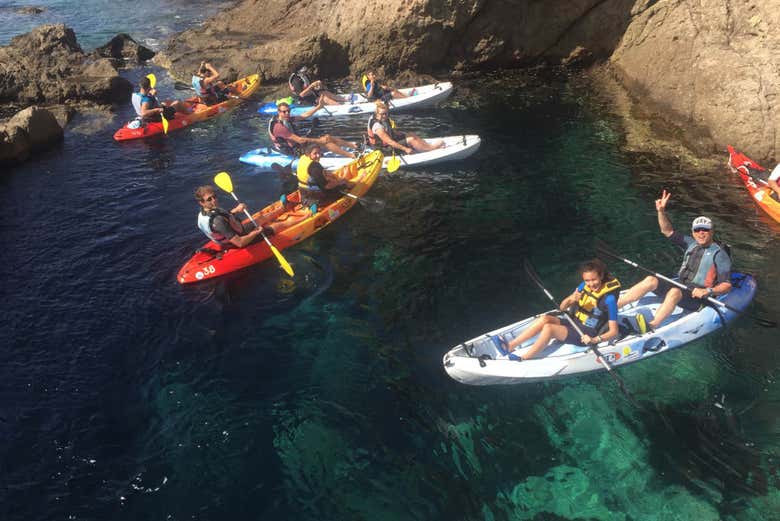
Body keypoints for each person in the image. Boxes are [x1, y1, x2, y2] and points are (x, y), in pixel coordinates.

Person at [617, 190, 732, 331]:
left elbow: (726, 285)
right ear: (693, 232)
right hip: (681, 285)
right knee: (650, 280)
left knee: (674, 292)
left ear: (712, 231)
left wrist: (708, 291)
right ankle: (614, 307)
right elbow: (667, 231)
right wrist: (661, 211)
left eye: (705, 230)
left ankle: (651, 325)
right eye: (698, 230)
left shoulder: (719, 254)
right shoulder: (690, 243)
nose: (701, 233)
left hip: (699, 297)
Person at [500, 259, 621, 360]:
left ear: (601, 276)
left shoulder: (609, 299)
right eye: (587, 280)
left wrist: (594, 340)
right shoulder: (583, 286)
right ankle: (511, 345)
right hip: (574, 322)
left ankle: (525, 358)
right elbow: (562, 308)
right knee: (545, 319)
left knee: (549, 328)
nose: (591, 284)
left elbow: (613, 332)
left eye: (594, 279)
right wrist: (571, 299)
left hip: (587, 332)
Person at [268, 101, 356, 158]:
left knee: (327, 137)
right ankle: (352, 155)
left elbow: (304, 115)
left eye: (288, 111)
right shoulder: (279, 127)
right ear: (279, 112)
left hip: (298, 143)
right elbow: (300, 140)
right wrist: (319, 141)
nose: (287, 113)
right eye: (284, 112)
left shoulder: (285, 118)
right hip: (293, 150)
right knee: (326, 143)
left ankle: (355, 146)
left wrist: (318, 107)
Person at [195, 185, 271, 248]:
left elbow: (222, 216)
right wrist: (256, 232)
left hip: (233, 232)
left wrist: (236, 210)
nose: (214, 200)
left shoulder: (203, 214)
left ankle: (282, 208)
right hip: (235, 242)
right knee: (275, 226)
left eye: (214, 196)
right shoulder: (218, 221)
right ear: (201, 202)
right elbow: (240, 243)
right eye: (209, 199)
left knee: (263, 218)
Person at [367, 101, 444, 154]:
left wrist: (404, 134)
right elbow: (390, 142)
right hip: (383, 150)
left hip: (389, 142)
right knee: (411, 140)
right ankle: (432, 149)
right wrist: (406, 149)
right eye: (382, 114)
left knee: (411, 134)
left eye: (386, 113)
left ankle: (427, 146)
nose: (385, 116)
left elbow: (391, 132)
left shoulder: (379, 117)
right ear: (377, 113)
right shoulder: (377, 127)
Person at [295, 143, 354, 210]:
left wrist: (332, 176)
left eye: (319, 153)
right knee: (343, 187)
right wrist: (340, 182)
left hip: (302, 190)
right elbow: (327, 186)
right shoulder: (314, 166)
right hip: (315, 193)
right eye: (315, 153)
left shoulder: (303, 158)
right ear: (309, 153)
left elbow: (318, 173)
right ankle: (317, 203)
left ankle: (307, 202)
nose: (318, 155)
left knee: (333, 182)